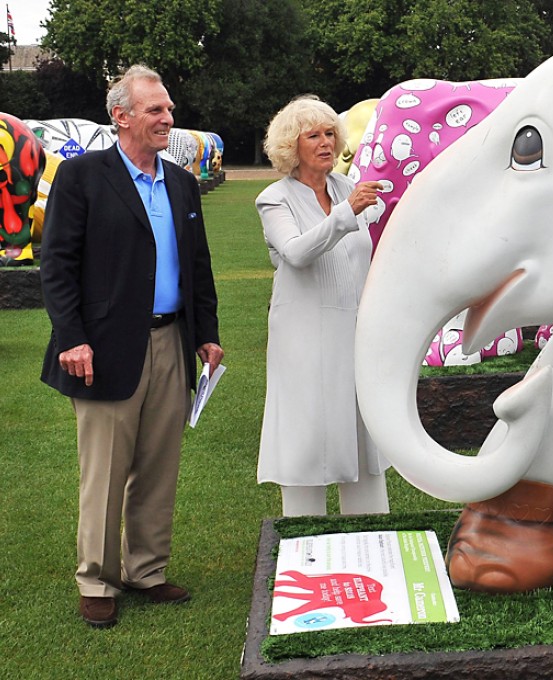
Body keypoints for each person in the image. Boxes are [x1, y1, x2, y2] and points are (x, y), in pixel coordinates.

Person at [39, 65, 223, 629]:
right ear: (121, 117)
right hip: (101, 348)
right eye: (155, 111)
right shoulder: (81, 177)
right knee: (106, 470)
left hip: (171, 341)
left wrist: (207, 334)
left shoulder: (181, 183)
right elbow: (58, 265)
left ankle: (146, 570)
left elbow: (197, 267)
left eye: (168, 109)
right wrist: (72, 337)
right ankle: (96, 578)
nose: (168, 119)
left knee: (158, 465)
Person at [256, 96, 389, 517]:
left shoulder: (349, 189)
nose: (325, 142)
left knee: (362, 433)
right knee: (306, 436)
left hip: (355, 332)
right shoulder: (273, 199)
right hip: (303, 337)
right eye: (313, 135)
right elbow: (296, 252)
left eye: (330, 133)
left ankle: (371, 531)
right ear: (290, 146)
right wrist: (347, 214)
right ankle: (303, 537)